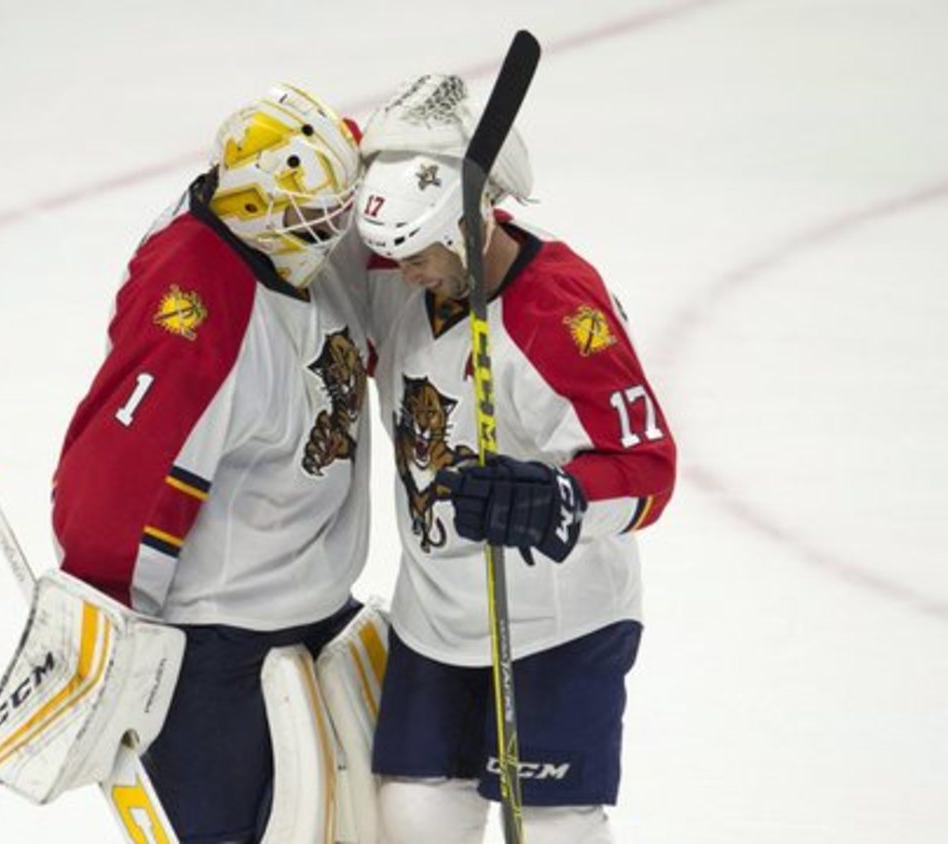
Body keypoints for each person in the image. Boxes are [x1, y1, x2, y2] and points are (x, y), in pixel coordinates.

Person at [353, 75, 677, 843]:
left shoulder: (560, 312)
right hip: (434, 620)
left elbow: (648, 471)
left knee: (552, 827)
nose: (404, 274)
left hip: (558, 625)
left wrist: (557, 498)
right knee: (412, 817)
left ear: (465, 227)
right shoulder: (405, 278)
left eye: (419, 253)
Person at [50, 84, 372, 843]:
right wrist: (111, 626)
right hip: (218, 641)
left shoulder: (270, 220)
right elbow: (115, 487)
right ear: (257, 213)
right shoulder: (199, 319)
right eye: (313, 218)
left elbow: (331, 152)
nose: (336, 233)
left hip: (317, 607)